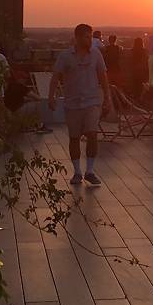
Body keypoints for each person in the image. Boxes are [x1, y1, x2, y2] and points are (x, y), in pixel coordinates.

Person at [48, 23, 111, 186]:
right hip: (73, 103)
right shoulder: (66, 56)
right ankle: (77, 171)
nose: (89, 39)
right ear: (77, 38)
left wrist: (108, 99)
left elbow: (103, 77)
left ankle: (90, 170)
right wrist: (51, 96)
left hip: (91, 101)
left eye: (90, 36)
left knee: (92, 134)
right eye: (86, 36)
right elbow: (56, 76)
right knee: (74, 137)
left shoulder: (96, 54)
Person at [129, 37, 148, 102]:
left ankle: (135, 99)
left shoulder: (133, 50)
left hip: (134, 70)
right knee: (141, 86)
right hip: (142, 71)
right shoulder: (144, 51)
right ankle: (139, 99)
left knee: (135, 85)